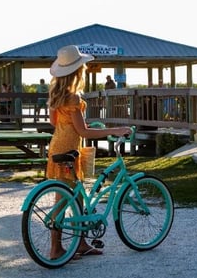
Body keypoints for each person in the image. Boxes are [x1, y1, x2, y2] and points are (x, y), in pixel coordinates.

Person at [46, 45, 132, 260]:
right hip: (70, 148)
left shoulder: (56, 95)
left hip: (58, 145)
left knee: (75, 196)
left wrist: (74, 126)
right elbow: (83, 131)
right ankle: (55, 249)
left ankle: (81, 243)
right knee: (64, 200)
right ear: (77, 72)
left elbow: (54, 121)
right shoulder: (73, 98)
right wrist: (116, 129)